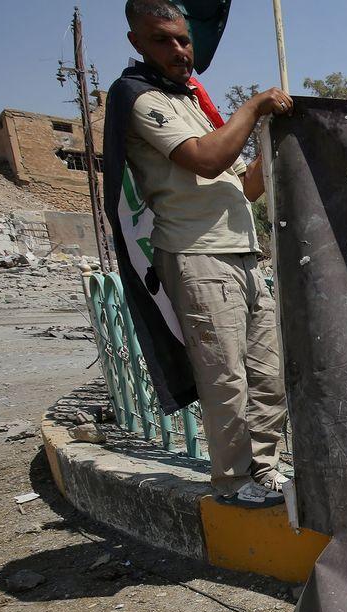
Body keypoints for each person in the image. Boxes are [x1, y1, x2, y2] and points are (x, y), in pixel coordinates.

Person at [117, 0, 294, 505]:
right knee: (226, 380)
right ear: (137, 43)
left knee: (269, 373)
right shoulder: (141, 99)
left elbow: (248, 187)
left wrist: (269, 139)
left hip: (242, 254)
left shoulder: (195, 101)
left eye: (183, 39)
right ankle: (234, 481)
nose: (178, 50)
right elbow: (209, 159)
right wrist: (253, 107)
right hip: (198, 254)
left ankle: (266, 467)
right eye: (162, 40)